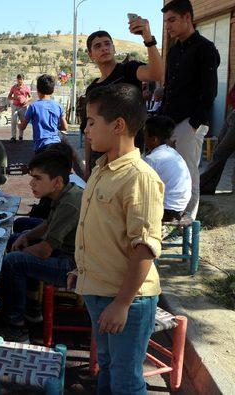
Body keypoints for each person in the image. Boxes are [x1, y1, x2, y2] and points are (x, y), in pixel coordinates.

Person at [72, 84, 164, 394]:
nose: (86, 130)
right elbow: (101, 232)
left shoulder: (139, 177)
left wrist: (123, 303)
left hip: (127, 299)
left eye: (92, 121)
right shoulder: (101, 168)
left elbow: (145, 248)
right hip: (98, 290)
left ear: (119, 125)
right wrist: (82, 268)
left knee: (127, 380)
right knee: (108, 367)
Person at [0, 149, 82, 342]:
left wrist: (11, 257)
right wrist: (25, 238)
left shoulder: (70, 203)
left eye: (38, 178)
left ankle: (16, 326)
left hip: (74, 267)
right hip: (67, 251)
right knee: (20, 231)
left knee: (12, 262)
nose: (31, 183)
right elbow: (48, 224)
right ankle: (32, 306)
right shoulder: (65, 191)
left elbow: (45, 251)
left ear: (57, 182)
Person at [83, 16, 165, 179]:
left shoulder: (128, 70)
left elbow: (156, 73)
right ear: (91, 54)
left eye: (107, 44)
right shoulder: (93, 89)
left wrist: (148, 39)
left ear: (113, 48)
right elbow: (89, 126)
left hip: (128, 152)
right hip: (100, 157)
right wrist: (87, 164)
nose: (104, 48)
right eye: (98, 46)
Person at [160, 0, 220, 219]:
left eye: (172, 20)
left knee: (188, 170)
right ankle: (171, 214)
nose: (168, 26)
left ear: (188, 17)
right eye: (166, 21)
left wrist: (195, 124)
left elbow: (210, 91)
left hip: (190, 122)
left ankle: (188, 217)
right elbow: (171, 87)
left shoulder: (205, 48)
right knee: (170, 171)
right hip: (169, 121)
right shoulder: (175, 50)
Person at [144, 115, 192, 221]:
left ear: (154, 139)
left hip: (167, 210)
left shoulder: (152, 159)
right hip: (180, 207)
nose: (144, 138)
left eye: (145, 134)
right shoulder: (172, 153)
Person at [200, 84, 235, 195]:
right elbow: (230, 98)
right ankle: (207, 187)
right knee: (217, 151)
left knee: (220, 153)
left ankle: (202, 184)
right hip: (232, 114)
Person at [18, 74, 67, 153]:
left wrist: (19, 124)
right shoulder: (58, 106)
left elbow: (22, 127)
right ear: (52, 90)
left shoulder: (33, 107)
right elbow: (65, 127)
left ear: (37, 90)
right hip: (56, 145)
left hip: (41, 146)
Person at [7, 74, 32, 142]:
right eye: (18, 79)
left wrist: (26, 100)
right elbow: (9, 97)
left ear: (23, 80)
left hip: (23, 107)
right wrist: (14, 98)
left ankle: (21, 136)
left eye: (21, 79)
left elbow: (30, 97)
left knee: (22, 122)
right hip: (15, 106)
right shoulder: (14, 87)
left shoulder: (26, 88)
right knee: (13, 121)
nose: (19, 81)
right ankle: (13, 137)